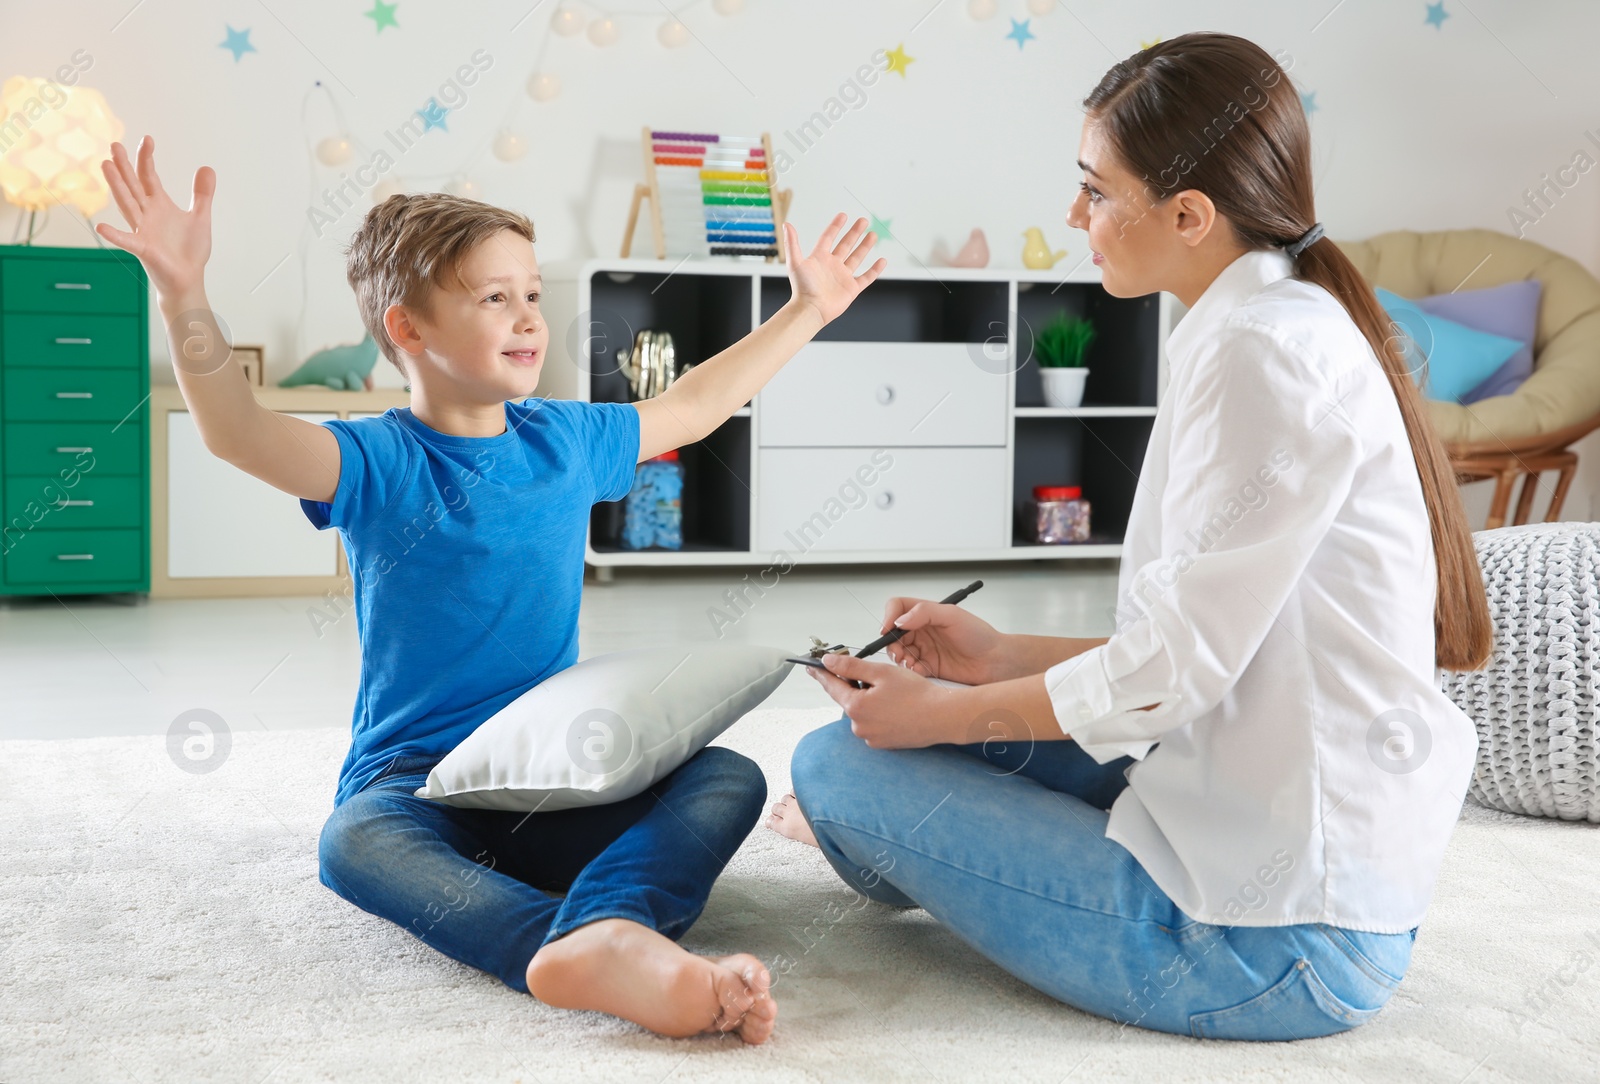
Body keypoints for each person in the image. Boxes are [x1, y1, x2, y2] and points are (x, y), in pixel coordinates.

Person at [767, 31, 1492, 1041]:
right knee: (862, 748)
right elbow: (1206, 648)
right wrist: (995, 658)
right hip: (1234, 824)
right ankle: (877, 832)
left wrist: (937, 716)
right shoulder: (1265, 325)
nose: (1076, 216)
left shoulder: (1263, 357)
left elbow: (1171, 674)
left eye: (1095, 191)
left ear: (1189, 216)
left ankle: (868, 830)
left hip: (1273, 940)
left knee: (843, 769)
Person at [96, 136, 884, 1044]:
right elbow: (235, 431)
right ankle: (574, 947)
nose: (527, 319)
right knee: (353, 844)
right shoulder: (379, 460)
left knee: (724, 779)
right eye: (494, 298)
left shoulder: (563, 440)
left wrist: (809, 311)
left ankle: (611, 927)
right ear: (408, 330)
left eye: (533, 297)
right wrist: (181, 290)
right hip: (418, 784)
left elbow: (699, 403)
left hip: (557, 773)